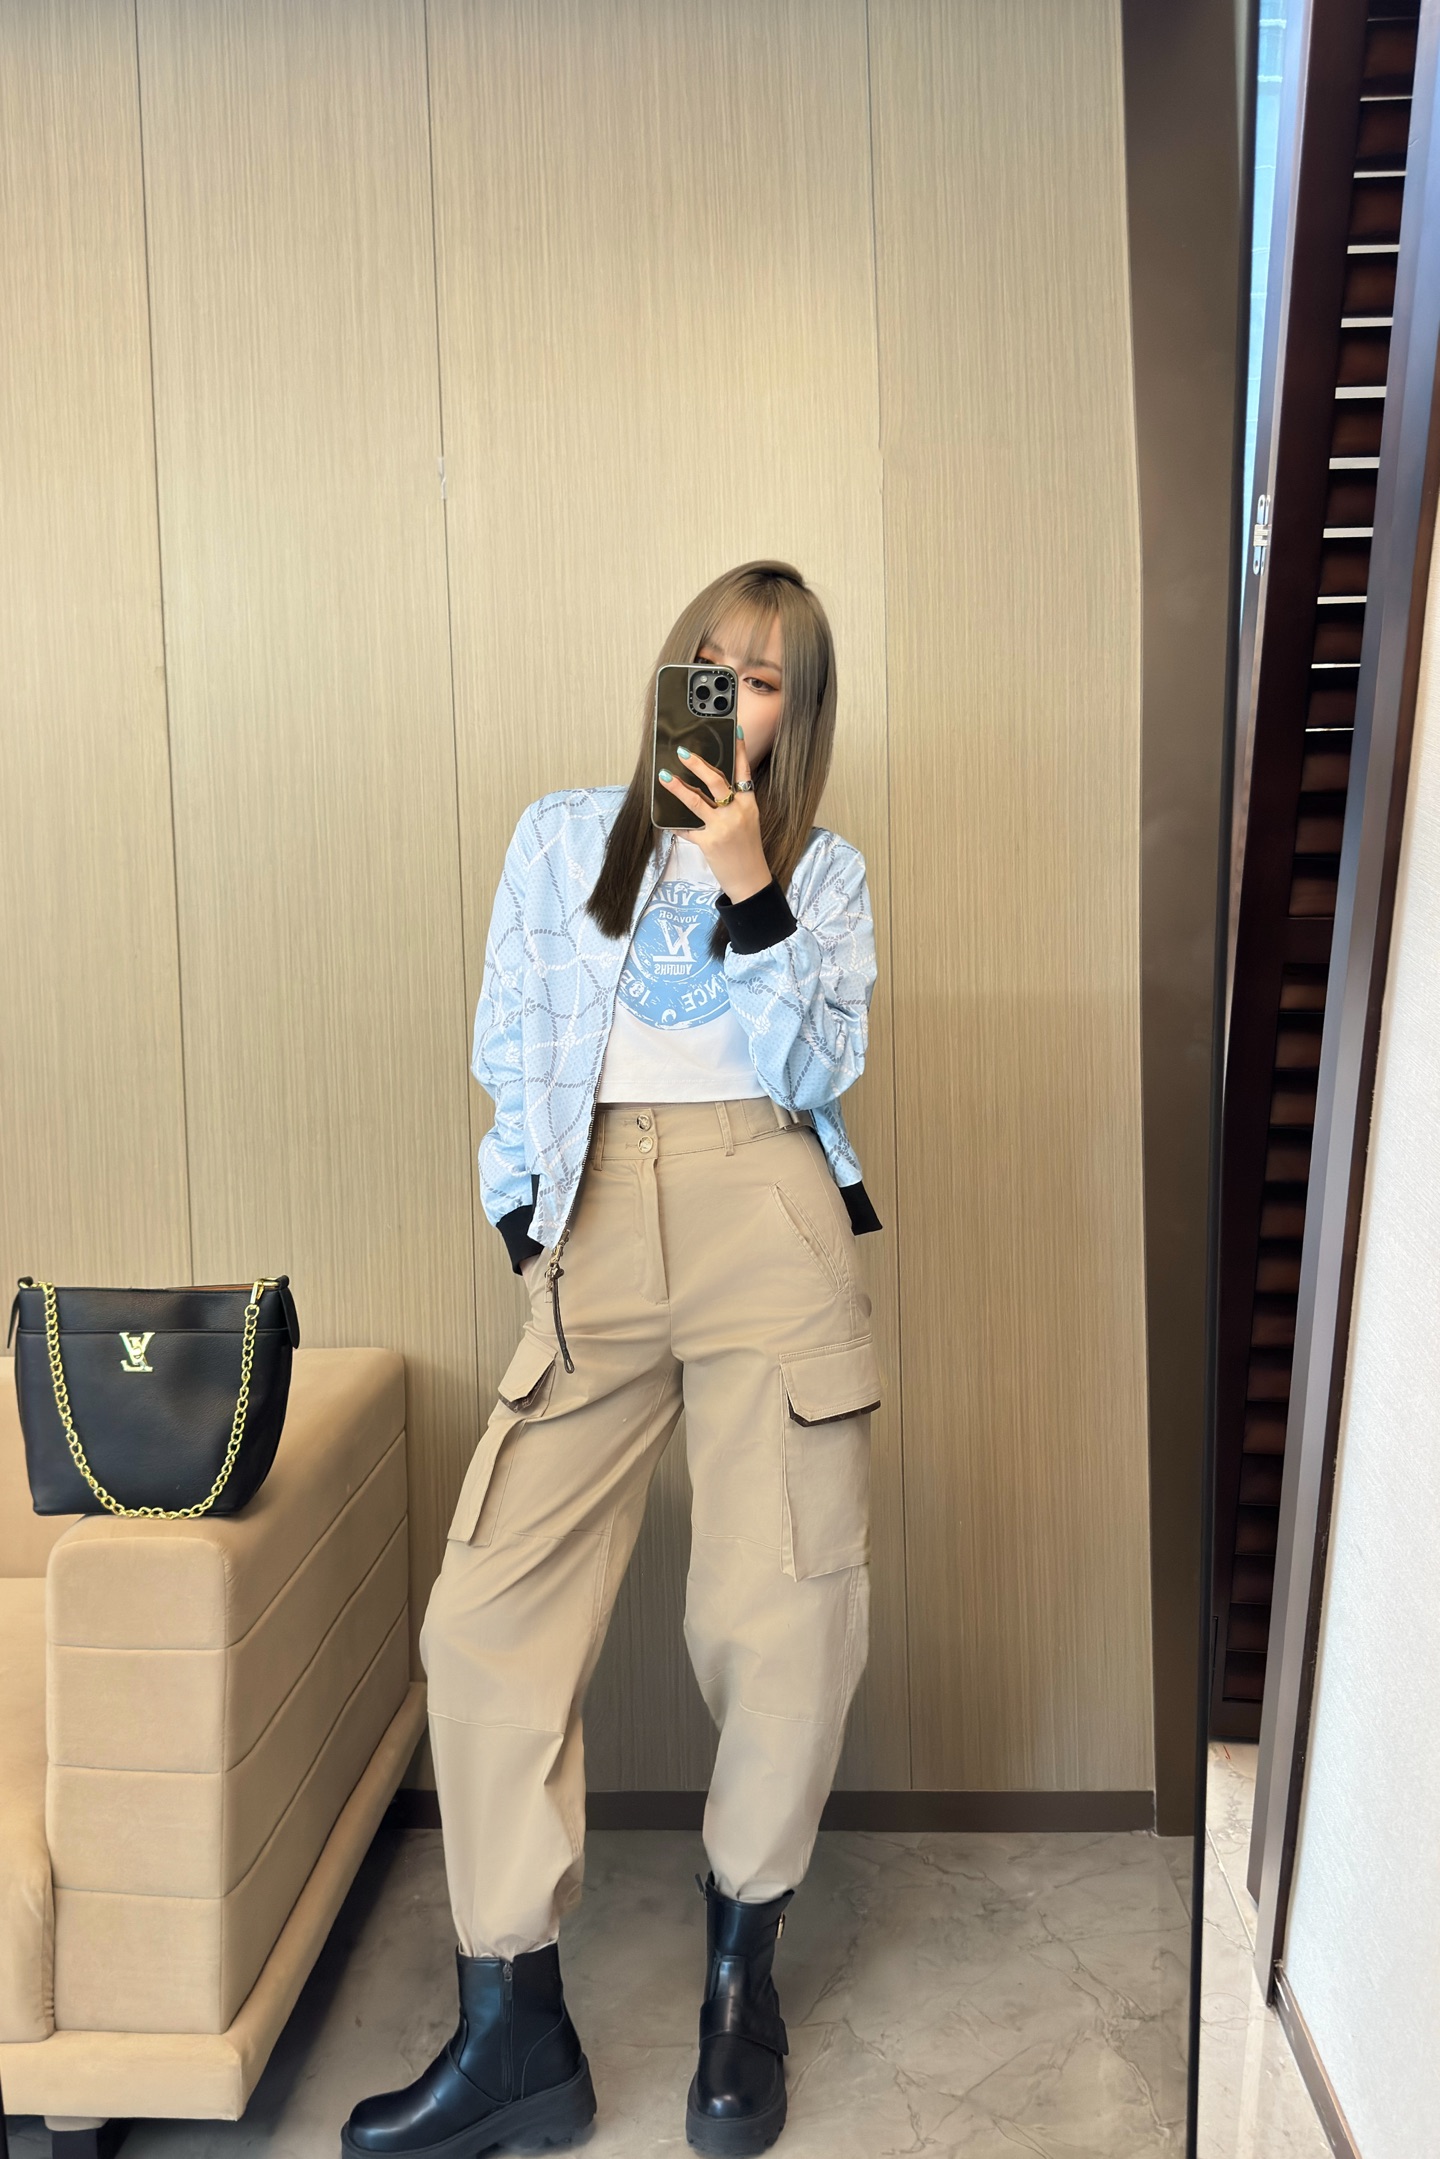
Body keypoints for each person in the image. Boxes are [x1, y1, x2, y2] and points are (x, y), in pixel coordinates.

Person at [341, 561, 883, 2159]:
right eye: (710, 659)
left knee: (780, 1614)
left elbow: (821, 1065)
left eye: (763, 677)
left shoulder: (823, 868)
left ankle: (738, 1992)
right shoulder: (567, 838)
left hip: (765, 1212)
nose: (729, 690)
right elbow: (512, 1037)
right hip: (596, 1215)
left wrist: (751, 883)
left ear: (795, 713)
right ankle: (514, 2032)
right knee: (484, 1617)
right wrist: (527, 1222)